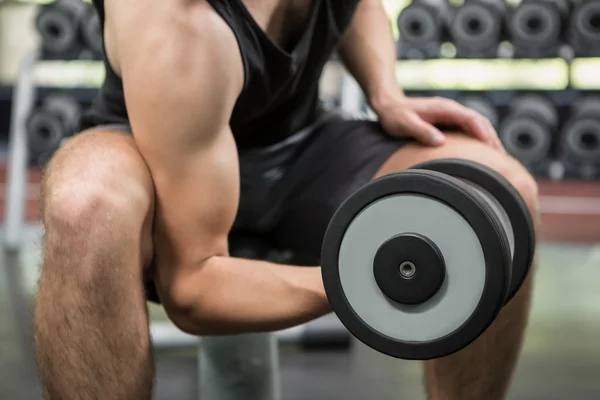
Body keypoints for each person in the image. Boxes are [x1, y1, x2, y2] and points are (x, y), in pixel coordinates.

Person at [33, 0, 539, 399]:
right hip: (150, 150)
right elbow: (193, 288)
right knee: (88, 203)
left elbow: (357, 6)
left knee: (492, 196)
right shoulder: (177, 21)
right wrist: (366, 280)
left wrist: (386, 93)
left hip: (299, 146)